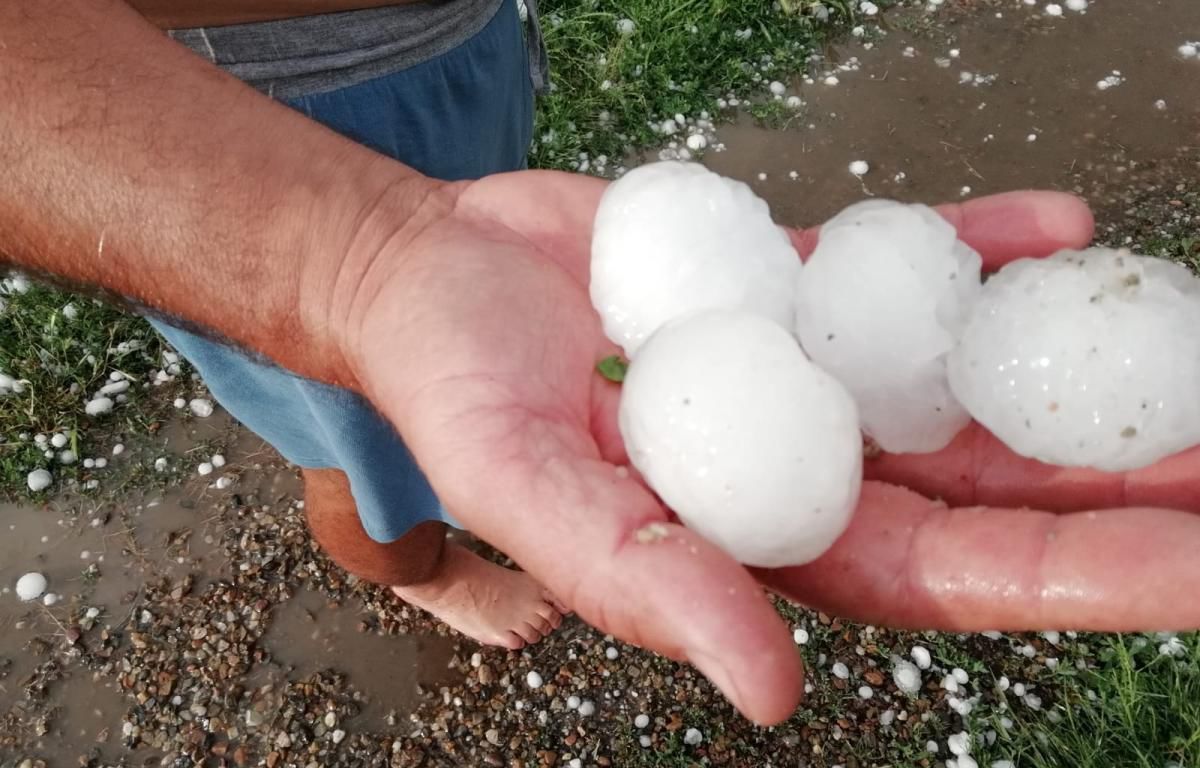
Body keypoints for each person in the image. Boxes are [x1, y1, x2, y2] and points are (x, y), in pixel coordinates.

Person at [3, 0, 1198, 728]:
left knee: (431, 295)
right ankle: (410, 563)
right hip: (201, 125)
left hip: (448, 52)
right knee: (351, 441)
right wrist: (353, 260)